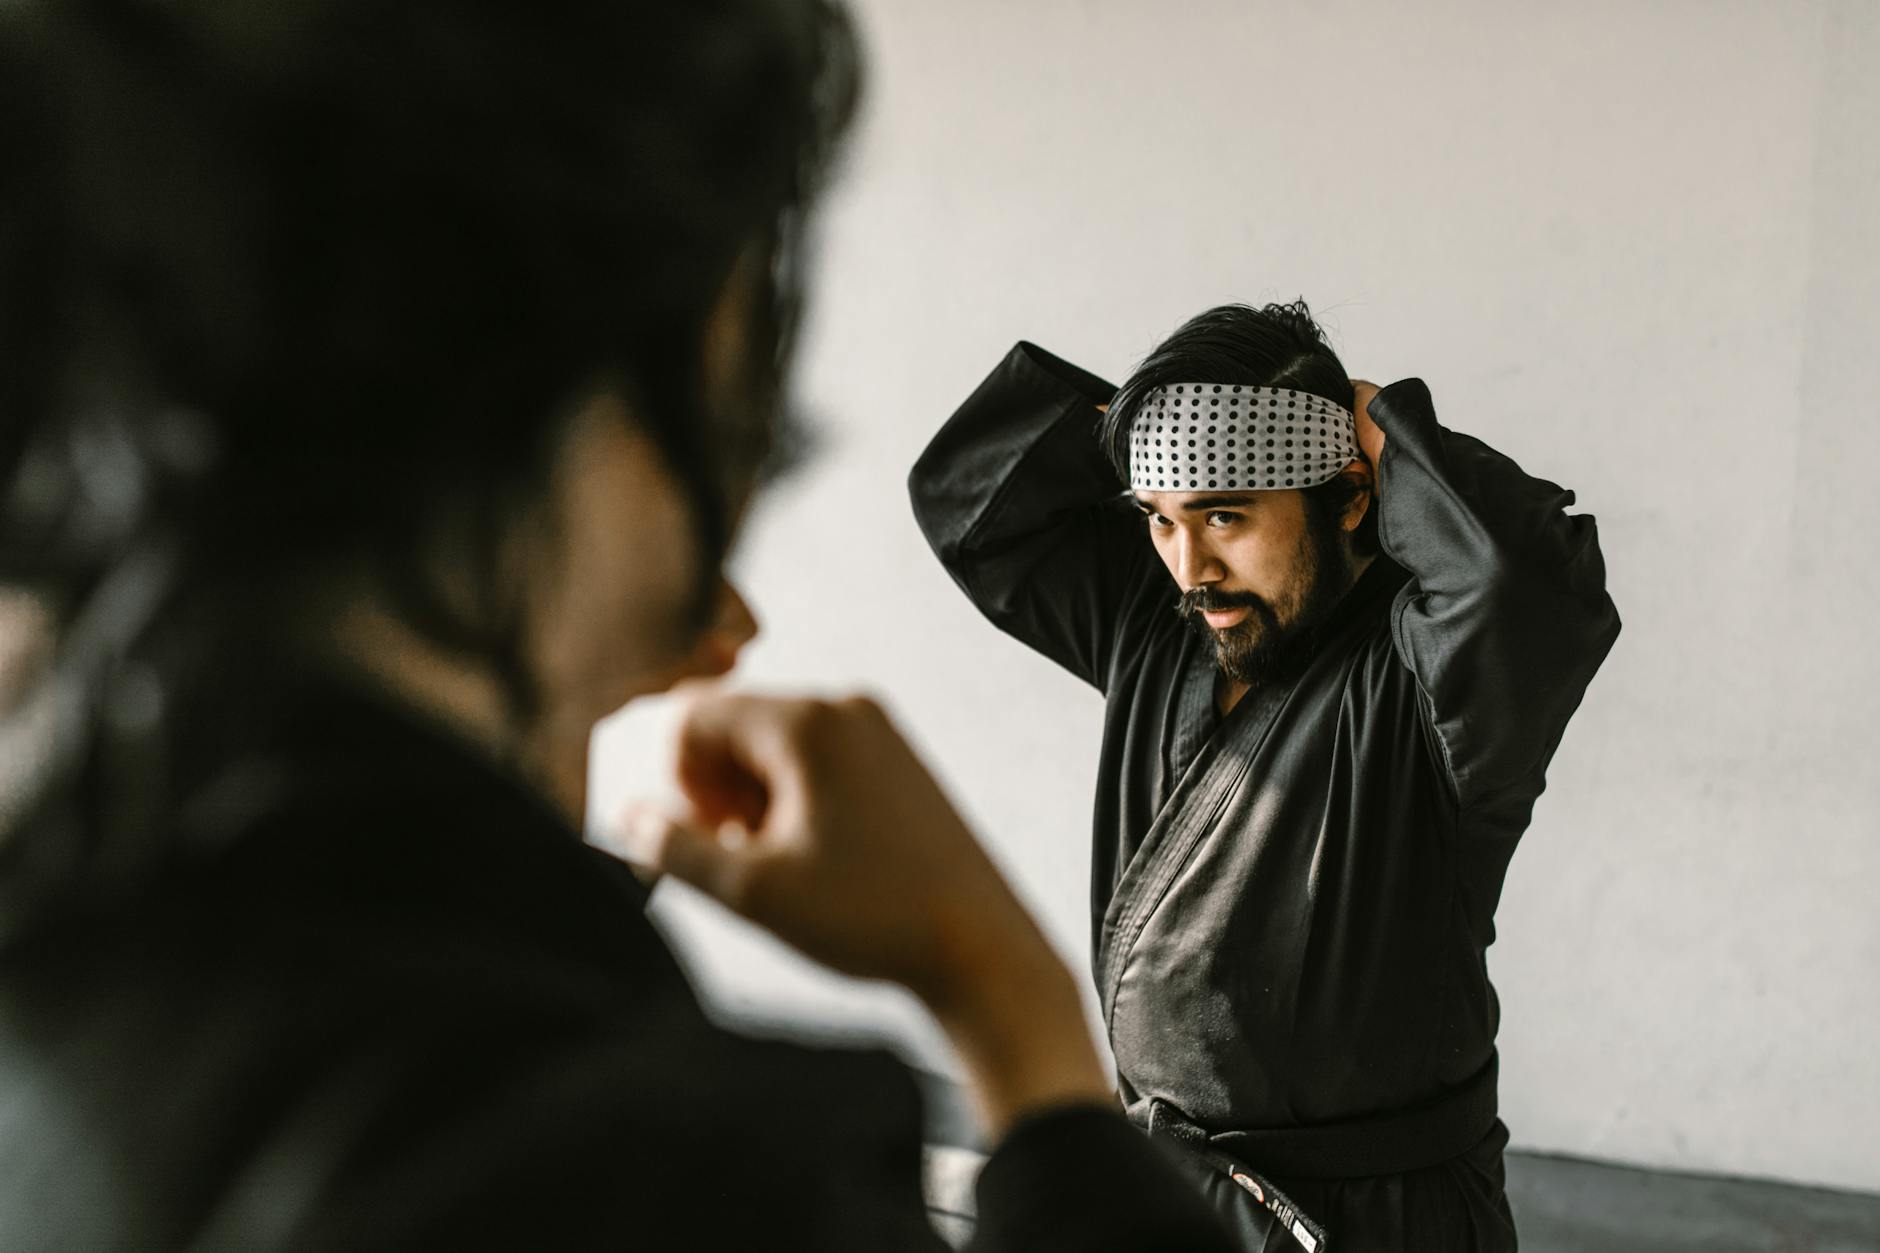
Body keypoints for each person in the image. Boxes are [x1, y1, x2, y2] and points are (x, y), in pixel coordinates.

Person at [0, 1, 1240, 1248]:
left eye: (1228, 506)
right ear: (584, 378)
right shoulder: (660, 1171)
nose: (725, 615)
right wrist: (1009, 1000)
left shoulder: (74, 965)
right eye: (737, 411)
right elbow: (978, 489)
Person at [910, 302, 1621, 1251]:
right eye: (1160, 520)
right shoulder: (1156, 628)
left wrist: (1379, 422)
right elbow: (973, 502)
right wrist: (1155, 426)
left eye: (1226, 516)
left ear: (1353, 497)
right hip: (1169, 1200)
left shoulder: (1431, 686)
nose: (1189, 568)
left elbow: (1518, 582)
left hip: (1371, 1218)